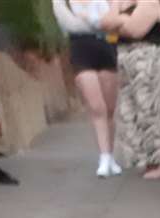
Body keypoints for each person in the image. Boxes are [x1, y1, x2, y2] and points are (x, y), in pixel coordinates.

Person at [102, 0, 160, 180]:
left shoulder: (149, 2)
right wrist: (121, 18)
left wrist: (117, 22)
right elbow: (104, 24)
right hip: (126, 61)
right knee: (131, 112)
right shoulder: (119, 3)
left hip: (147, 60)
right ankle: (147, 160)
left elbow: (135, 30)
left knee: (151, 111)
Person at [51, 0, 122, 177]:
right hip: (81, 52)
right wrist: (100, 22)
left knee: (109, 109)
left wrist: (90, 19)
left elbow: (114, 22)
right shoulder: (62, 2)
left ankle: (111, 155)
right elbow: (71, 25)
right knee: (97, 107)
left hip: (107, 50)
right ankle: (104, 157)